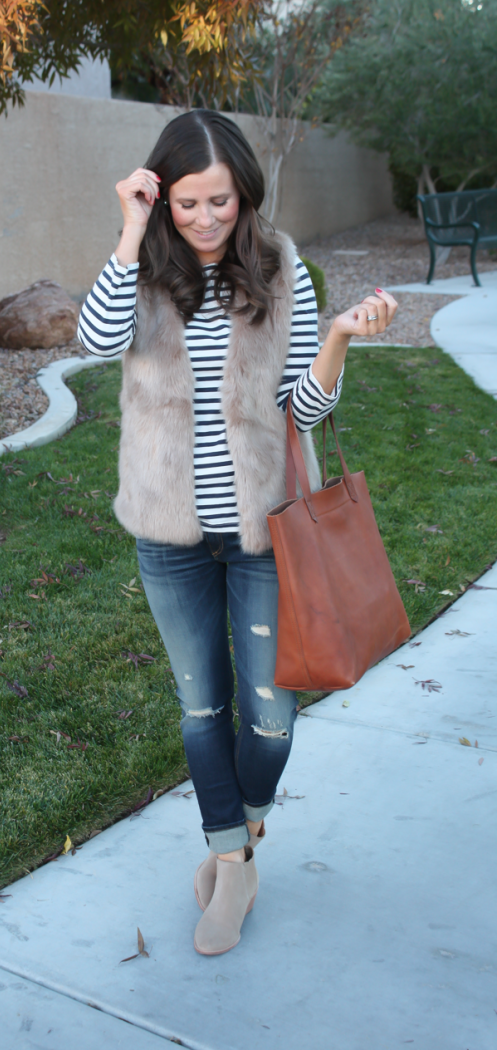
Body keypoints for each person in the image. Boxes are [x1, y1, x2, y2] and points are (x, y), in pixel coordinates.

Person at [77, 110, 397, 956]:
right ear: (162, 197)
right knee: (199, 708)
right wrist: (131, 226)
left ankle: (240, 833)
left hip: (264, 537)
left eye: (218, 199)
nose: (205, 218)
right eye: (186, 203)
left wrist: (334, 339)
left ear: (243, 192)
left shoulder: (279, 265)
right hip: (166, 534)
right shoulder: (142, 267)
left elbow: (305, 410)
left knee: (271, 722)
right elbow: (93, 336)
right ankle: (230, 862)